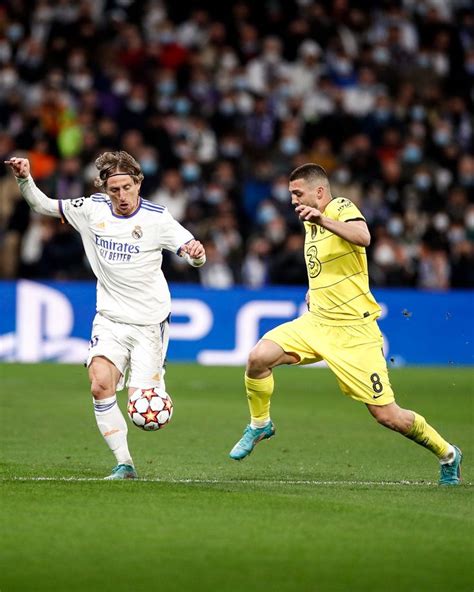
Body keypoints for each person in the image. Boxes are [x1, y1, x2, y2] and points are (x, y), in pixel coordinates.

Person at [229, 163, 462, 485]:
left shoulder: (338, 207)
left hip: (354, 332)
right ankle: (260, 424)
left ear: (319, 192)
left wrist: (322, 218)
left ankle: (448, 453)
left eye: (298, 193)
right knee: (258, 358)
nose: (293, 200)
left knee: (387, 415)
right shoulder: (310, 223)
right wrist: (314, 289)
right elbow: (329, 264)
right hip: (317, 323)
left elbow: (363, 237)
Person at [5, 151, 206, 480]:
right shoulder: (90, 209)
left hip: (149, 325)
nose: (122, 196)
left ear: (138, 184)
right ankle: (124, 464)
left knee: (144, 413)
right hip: (109, 319)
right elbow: (42, 205)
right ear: (104, 189)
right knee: (100, 385)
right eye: (115, 190)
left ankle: (151, 386)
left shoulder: (157, 218)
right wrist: (24, 178)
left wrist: (196, 255)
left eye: (127, 187)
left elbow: (193, 253)